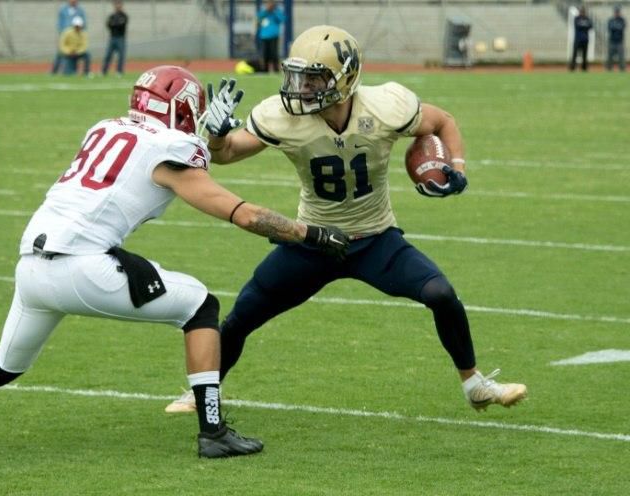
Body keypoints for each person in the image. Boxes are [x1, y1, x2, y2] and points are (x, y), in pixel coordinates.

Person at [0, 65, 349, 458]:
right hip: (81, 267)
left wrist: (210, 137)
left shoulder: (105, 127)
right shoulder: (171, 148)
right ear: (184, 110)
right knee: (200, 305)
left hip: (32, 265)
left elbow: (144, 160)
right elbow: (239, 212)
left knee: (4, 364)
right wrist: (311, 233)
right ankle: (214, 433)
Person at [165, 25, 527, 415]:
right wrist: (217, 137)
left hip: (375, 238)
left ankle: (474, 384)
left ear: (346, 77)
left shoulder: (386, 106)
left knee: (440, 294)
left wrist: (456, 168)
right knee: (244, 314)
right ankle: (204, 392)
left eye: (313, 78)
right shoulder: (281, 115)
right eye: (297, 76)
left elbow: (444, 122)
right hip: (314, 240)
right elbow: (227, 153)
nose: (300, 88)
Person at [51, 0, 86, 75]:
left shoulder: (80, 10)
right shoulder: (63, 9)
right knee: (60, 53)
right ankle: (54, 71)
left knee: (75, 54)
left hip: (75, 36)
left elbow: (84, 23)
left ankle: (73, 70)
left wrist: (80, 33)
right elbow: (60, 22)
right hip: (65, 35)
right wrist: (61, 32)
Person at [256, 0, 284, 73]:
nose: (269, 5)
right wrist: (266, 11)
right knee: (265, 54)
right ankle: (265, 70)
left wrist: (273, 12)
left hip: (274, 36)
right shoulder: (263, 12)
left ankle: (276, 69)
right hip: (264, 36)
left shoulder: (277, 11)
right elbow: (258, 19)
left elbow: (282, 19)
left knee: (274, 54)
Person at [102, 0, 129, 76]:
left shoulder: (124, 16)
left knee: (121, 56)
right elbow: (109, 25)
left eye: (119, 4)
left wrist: (114, 24)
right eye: (116, 4)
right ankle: (104, 71)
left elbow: (121, 25)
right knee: (108, 55)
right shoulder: (112, 16)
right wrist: (115, 24)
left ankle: (119, 71)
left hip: (121, 38)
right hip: (112, 37)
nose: (118, 6)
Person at [570, 6, 593, 72]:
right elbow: (579, 26)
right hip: (577, 39)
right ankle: (573, 67)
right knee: (575, 54)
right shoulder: (576, 18)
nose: (582, 13)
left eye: (583, 11)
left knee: (584, 55)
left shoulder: (587, 18)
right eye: (581, 11)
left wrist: (584, 25)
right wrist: (585, 25)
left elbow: (590, 26)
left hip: (585, 40)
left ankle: (584, 68)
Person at [606, 6, 626, 72]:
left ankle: (622, 69)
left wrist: (615, 27)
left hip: (620, 41)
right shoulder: (611, 20)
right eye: (616, 12)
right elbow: (610, 28)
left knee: (621, 56)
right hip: (612, 41)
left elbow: (621, 28)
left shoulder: (622, 20)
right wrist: (617, 27)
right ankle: (609, 69)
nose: (617, 13)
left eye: (618, 12)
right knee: (610, 56)